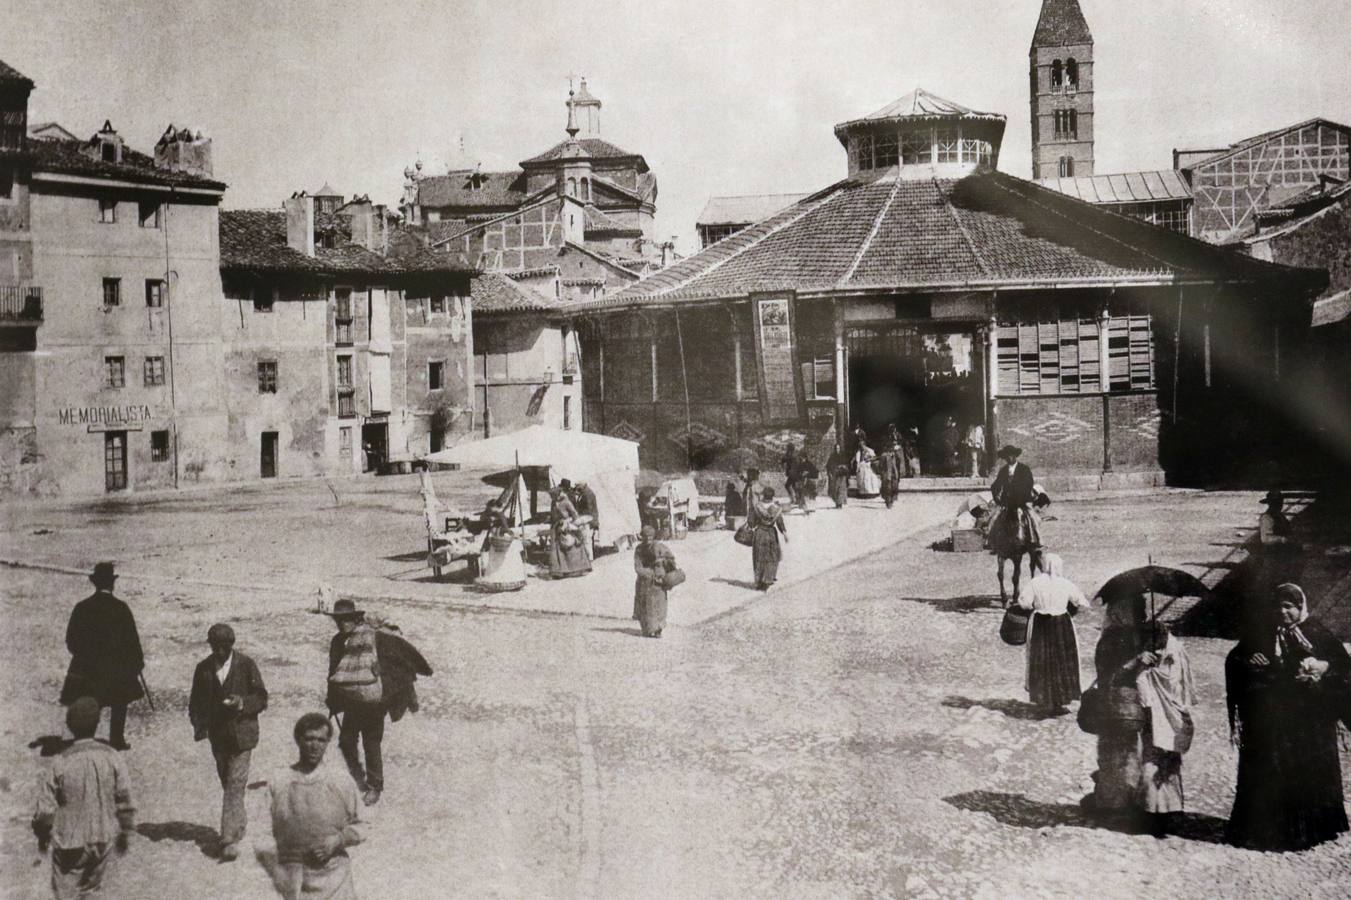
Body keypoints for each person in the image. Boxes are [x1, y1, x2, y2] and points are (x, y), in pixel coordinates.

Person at [1224, 583, 1350, 852]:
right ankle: (1264, 832)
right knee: (1272, 770)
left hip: (1310, 721)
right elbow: (1235, 658)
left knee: (1306, 771)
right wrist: (1249, 662)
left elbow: (1342, 664)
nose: (1283, 612)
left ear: (1300, 607)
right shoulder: (1262, 633)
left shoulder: (1316, 632)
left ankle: (1312, 830)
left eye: (1289, 607)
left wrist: (1322, 666)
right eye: (1278, 606)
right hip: (1272, 719)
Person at [1086, 591, 1195, 831]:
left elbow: (1171, 658)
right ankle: (1116, 805)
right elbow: (1107, 677)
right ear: (1119, 611)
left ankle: (1156, 807)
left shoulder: (1152, 631)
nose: (1141, 612)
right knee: (1121, 757)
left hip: (1150, 705)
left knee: (1154, 753)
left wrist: (1161, 647)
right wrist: (1136, 662)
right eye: (1135, 607)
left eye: (1142, 607)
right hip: (1122, 709)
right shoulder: (1110, 640)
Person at [325, 599, 433, 806]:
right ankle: (358, 778)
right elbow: (333, 672)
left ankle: (375, 786)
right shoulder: (337, 642)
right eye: (339, 620)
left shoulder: (375, 638)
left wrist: (422, 670)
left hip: (374, 701)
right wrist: (332, 699)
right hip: (352, 701)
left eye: (346, 619)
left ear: (356, 619)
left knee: (371, 742)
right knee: (346, 741)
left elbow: (402, 652)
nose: (342, 624)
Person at [32, 697, 136, 900]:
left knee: (66, 893)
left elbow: (45, 808)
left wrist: (42, 833)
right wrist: (124, 830)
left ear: (70, 726)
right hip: (102, 837)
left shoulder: (61, 761)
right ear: (97, 724)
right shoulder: (112, 756)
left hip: (69, 841)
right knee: (92, 891)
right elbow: (124, 798)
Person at [188, 623, 268, 861]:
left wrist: (242, 703)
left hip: (243, 736)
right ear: (211, 645)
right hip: (218, 737)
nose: (220, 652)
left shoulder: (246, 664)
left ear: (232, 645)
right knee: (228, 783)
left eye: (224, 647)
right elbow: (195, 702)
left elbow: (262, 697)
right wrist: (199, 726)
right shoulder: (203, 669)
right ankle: (238, 821)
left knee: (234, 784)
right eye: (216, 647)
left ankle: (228, 840)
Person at [267, 713, 363, 900]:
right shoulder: (280, 781)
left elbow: (365, 824)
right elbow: (262, 831)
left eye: (321, 740)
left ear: (328, 742)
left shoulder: (340, 780)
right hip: (296, 882)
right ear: (298, 740)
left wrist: (339, 840)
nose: (315, 745)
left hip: (336, 880)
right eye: (309, 738)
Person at [60, 562, 143, 751]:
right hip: (116, 668)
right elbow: (132, 640)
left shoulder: (82, 607)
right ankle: (117, 740)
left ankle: (86, 739)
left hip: (89, 668)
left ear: (95, 583)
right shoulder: (121, 608)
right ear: (112, 584)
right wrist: (137, 662)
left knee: (90, 702)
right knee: (119, 702)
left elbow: (71, 640)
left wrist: (84, 657)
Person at [1017, 551, 1084, 713]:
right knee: (1061, 658)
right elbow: (1079, 600)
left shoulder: (1035, 582)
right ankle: (1060, 699)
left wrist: (1035, 607)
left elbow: (1024, 602)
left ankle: (1044, 698)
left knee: (1042, 658)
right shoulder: (1065, 583)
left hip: (1041, 624)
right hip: (1062, 624)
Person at [989, 445, 1043, 554]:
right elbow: (996, 485)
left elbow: (1028, 485)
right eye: (1006, 456)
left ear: (1015, 456)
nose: (1009, 458)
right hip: (1007, 502)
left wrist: (1020, 499)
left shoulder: (1024, 469)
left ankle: (1037, 540)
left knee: (1032, 518)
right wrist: (997, 497)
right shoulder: (1003, 471)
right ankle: (993, 543)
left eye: (1011, 455)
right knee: (993, 518)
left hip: (1022, 500)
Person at [633, 526, 677, 638]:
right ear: (641, 537)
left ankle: (658, 629)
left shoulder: (660, 547)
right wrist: (647, 573)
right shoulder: (639, 549)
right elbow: (638, 567)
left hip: (658, 581)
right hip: (644, 582)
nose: (648, 539)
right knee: (644, 606)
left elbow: (671, 559)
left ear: (653, 537)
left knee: (659, 605)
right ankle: (647, 629)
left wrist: (664, 563)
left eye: (650, 537)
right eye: (645, 537)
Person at [547, 486, 592, 578]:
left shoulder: (566, 502)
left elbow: (575, 514)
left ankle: (576, 569)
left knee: (570, 547)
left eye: (553, 495)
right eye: (551, 496)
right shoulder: (554, 502)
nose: (552, 497)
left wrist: (568, 522)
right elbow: (553, 515)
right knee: (557, 550)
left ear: (558, 494)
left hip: (566, 527)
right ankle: (559, 571)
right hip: (556, 528)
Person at [749, 486, 788, 590]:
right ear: (772, 496)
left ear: (763, 495)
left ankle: (758, 582)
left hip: (760, 533)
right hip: (771, 533)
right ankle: (768, 579)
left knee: (759, 557)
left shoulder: (757, 507)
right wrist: (784, 533)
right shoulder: (776, 508)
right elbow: (780, 522)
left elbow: (751, 522)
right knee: (771, 556)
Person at [878, 439, 902, 509]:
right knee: (888, 489)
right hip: (887, 474)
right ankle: (888, 502)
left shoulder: (895, 455)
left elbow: (899, 462)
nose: (893, 448)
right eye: (892, 447)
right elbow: (880, 465)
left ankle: (892, 500)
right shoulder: (884, 455)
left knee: (894, 487)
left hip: (894, 474)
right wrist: (882, 473)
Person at [795, 449, 819, 514]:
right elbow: (797, 473)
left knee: (809, 496)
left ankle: (810, 508)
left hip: (809, 482)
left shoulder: (809, 464)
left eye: (802, 458)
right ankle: (806, 509)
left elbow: (815, 472)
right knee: (804, 496)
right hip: (803, 483)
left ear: (804, 457)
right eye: (800, 458)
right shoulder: (800, 465)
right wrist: (801, 474)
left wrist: (807, 474)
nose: (801, 459)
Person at [826, 444, 849, 508]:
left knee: (841, 489)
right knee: (836, 489)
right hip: (835, 475)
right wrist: (830, 472)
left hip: (842, 474)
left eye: (838, 448)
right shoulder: (832, 456)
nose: (837, 449)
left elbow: (846, 464)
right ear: (834, 449)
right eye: (836, 448)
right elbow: (829, 465)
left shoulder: (843, 456)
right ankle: (837, 502)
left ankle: (840, 503)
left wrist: (843, 466)